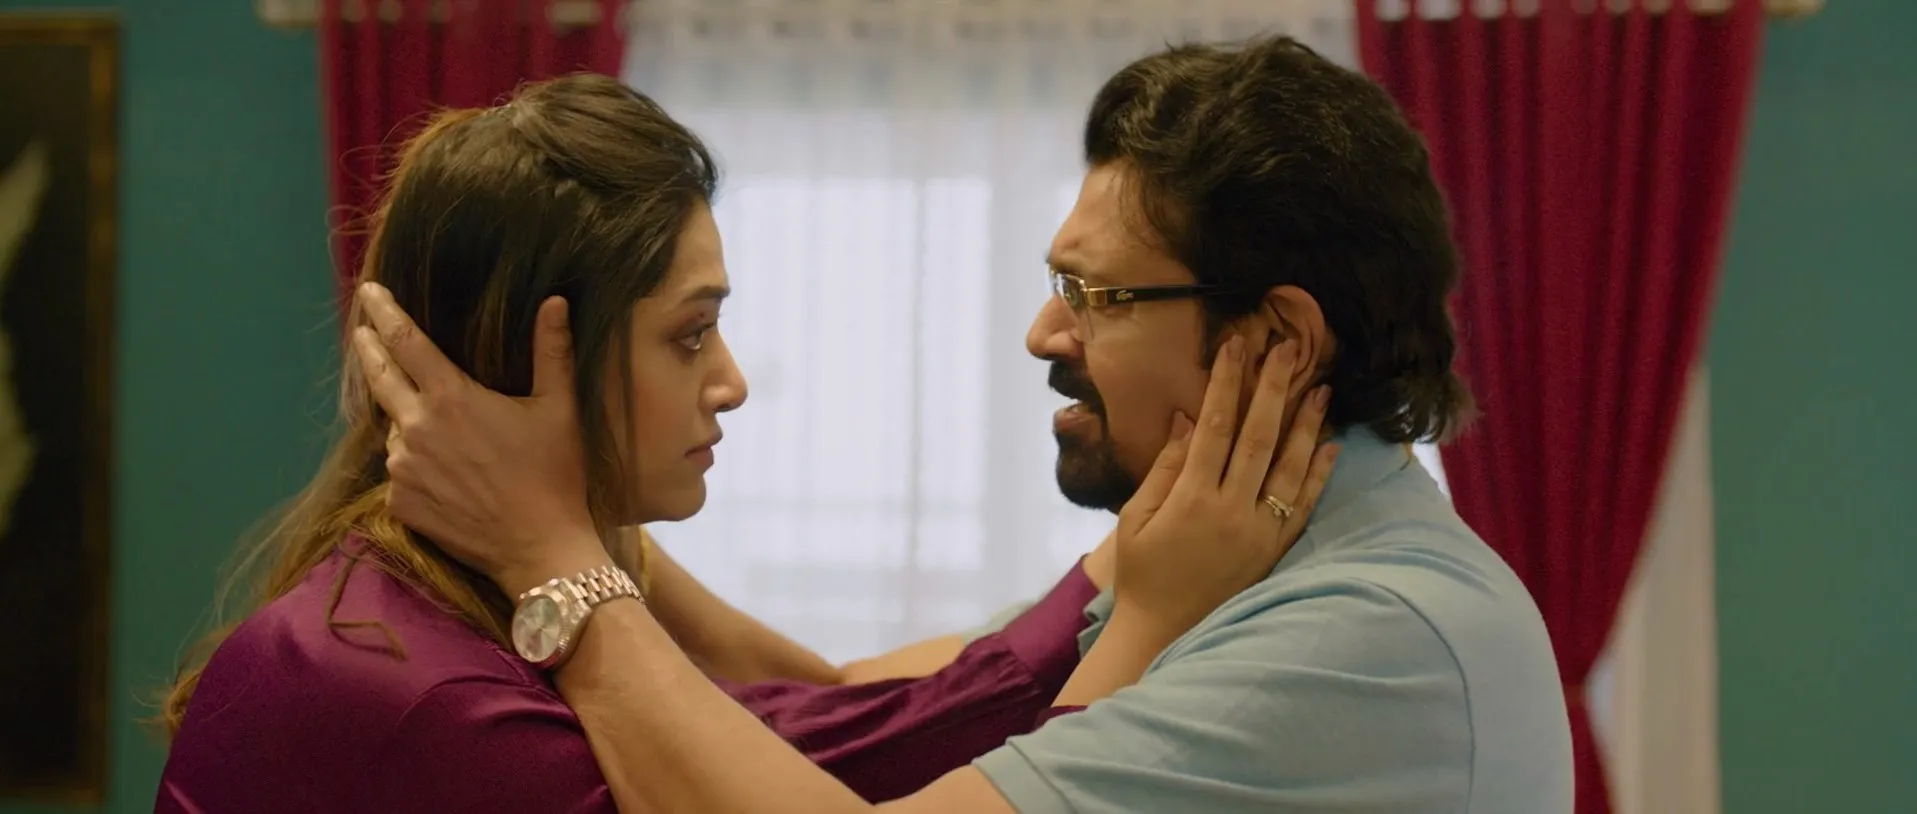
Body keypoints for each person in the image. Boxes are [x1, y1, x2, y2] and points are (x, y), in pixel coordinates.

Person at [356, 36, 1575, 813]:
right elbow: (859, 705)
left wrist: (550, 555)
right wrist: (561, 486)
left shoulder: (1370, 633)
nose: (1045, 333)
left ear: (1279, 342)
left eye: (1094, 296)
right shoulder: (1228, 548)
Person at [154, 73, 1334, 813]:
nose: (731, 381)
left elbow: (828, 724)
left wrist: (1126, 576)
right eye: (690, 334)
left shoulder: (481, 611)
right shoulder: (412, 691)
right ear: (525, 358)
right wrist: (1141, 622)